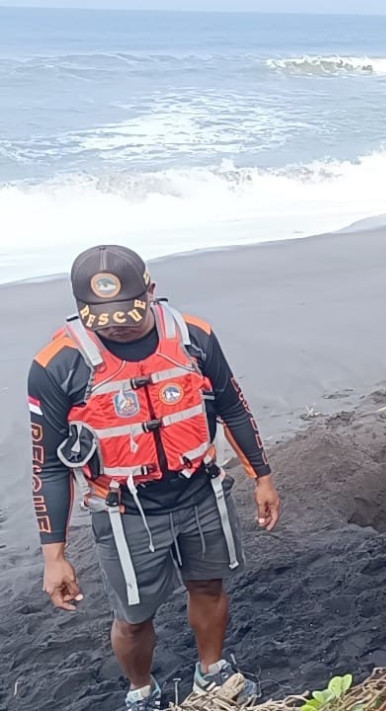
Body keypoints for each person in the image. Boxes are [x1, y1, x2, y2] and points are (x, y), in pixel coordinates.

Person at [31, 245, 280, 710]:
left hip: (200, 489)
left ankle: (212, 671)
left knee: (209, 585)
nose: (119, 325)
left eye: (129, 311)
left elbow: (232, 407)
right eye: (103, 318)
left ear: (151, 290)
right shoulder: (57, 365)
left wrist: (261, 476)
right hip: (124, 509)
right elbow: (48, 464)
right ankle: (141, 690)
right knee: (134, 616)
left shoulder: (194, 337)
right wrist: (54, 556)